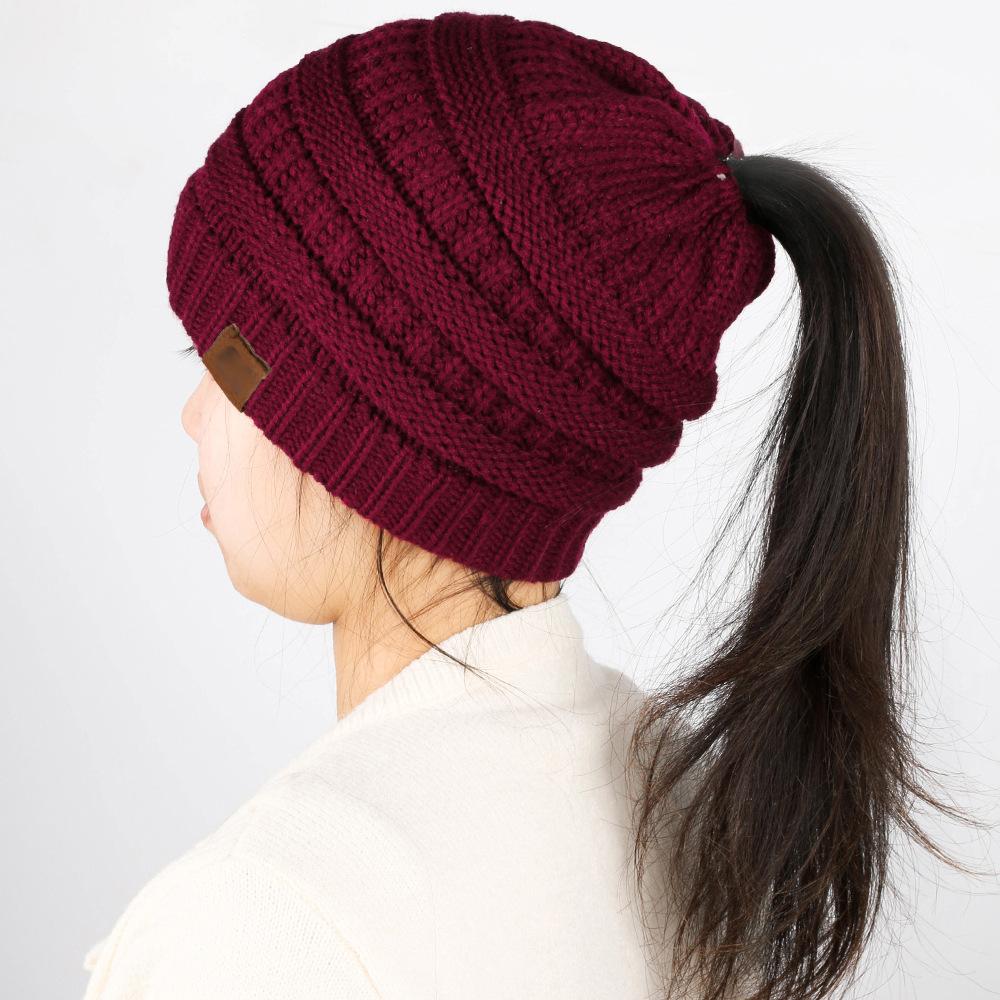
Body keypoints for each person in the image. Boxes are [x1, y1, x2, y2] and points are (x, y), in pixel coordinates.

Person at [81, 11, 963, 1000]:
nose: (194, 415)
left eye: (228, 362)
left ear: (398, 427)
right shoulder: (685, 819)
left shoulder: (260, 923)